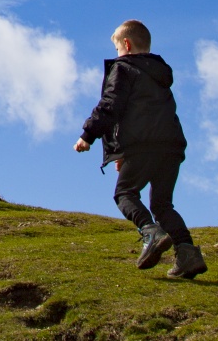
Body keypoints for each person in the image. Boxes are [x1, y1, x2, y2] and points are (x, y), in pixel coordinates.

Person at [75, 19, 207, 279]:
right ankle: (187, 254)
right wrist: (121, 151)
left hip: (143, 145)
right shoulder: (160, 73)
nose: (117, 55)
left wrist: (88, 135)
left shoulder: (124, 69)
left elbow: (111, 105)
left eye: (116, 50)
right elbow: (145, 112)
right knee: (162, 204)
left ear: (126, 44)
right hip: (171, 146)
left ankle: (151, 233)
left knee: (124, 193)